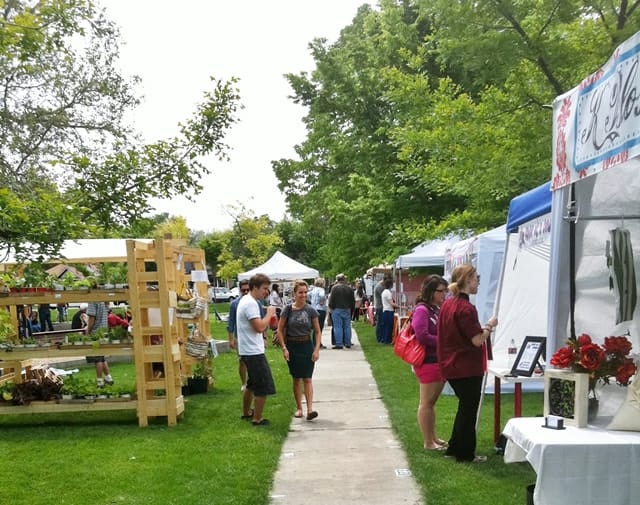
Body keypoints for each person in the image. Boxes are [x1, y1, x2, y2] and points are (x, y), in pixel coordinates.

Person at [437, 264, 497, 463]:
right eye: (476, 277)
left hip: (451, 364)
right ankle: (465, 453)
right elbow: (477, 340)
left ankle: (455, 448)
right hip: (465, 366)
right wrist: (489, 326)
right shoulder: (465, 308)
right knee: (468, 410)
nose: (478, 281)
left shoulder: (448, 304)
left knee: (465, 407)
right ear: (467, 280)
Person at [276, 279, 322, 420]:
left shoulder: (310, 310)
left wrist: (316, 349)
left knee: (307, 378)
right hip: (292, 346)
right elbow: (279, 329)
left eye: (305, 292)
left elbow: (317, 331)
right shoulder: (288, 310)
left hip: (306, 345)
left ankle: (309, 409)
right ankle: (299, 408)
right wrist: (284, 348)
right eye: (300, 292)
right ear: (294, 294)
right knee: (296, 379)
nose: (303, 295)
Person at [412, 274, 448, 450]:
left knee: (431, 403)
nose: (444, 294)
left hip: (437, 360)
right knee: (426, 403)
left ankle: (433, 437)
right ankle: (428, 441)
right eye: (441, 291)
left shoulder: (434, 309)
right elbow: (422, 335)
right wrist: (443, 340)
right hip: (428, 361)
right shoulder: (422, 310)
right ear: (431, 291)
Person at [237, 273, 277, 426]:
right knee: (262, 386)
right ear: (254, 287)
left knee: (251, 384)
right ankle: (257, 418)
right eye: (264, 289)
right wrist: (269, 314)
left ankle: (247, 412)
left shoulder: (247, 301)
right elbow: (260, 327)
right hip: (253, 352)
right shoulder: (251, 304)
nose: (266, 292)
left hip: (248, 350)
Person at [227, 279, 250, 390]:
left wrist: (264, 336)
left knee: (253, 360)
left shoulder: (255, 302)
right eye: (243, 290)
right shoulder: (234, 304)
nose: (245, 292)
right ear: (240, 290)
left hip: (252, 336)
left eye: (247, 290)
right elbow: (231, 322)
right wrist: (231, 339)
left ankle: (252, 381)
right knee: (242, 360)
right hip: (240, 337)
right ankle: (243, 383)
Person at [86, 301, 114, 387]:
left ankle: (100, 381)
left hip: (95, 332)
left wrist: (88, 331)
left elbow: (92, 318)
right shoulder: (103, 300)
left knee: (97, 358)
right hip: (104, 331)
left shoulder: (93, 301)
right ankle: (108, 378)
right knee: (102, 357)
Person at [328, 273, 355, 349]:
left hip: (337, 309)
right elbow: (352, 301)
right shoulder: (349, 288)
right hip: (347, 309)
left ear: (337, 280)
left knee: (338, 327)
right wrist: (352, 310)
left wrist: (331, 307)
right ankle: (348, 342)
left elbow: (331, 299)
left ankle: (339, 344)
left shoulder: (334, 288)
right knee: (347, 327)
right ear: (344, 279)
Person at [309, 278, 327, 349]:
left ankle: (315, 342)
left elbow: (308, 295)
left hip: (313, 309)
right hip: (320, 309)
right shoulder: (321, 290)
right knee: (319, 327)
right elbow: (322, 295)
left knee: (315, 327)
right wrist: (322, 302)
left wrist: (311, 301)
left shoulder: (313, 289)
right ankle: (317, 343)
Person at [374, 274, 392, 342]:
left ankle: (382, 337)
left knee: (382, 323)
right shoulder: (380, 287)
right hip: (380, 307)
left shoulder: (382, 286)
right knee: (380, 323)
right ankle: (380, 337)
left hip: (382, 306)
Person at [380, 277, 399, 344]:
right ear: (390, 285)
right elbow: (391, 303)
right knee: (389, 326)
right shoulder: (388, 293)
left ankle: (384, 339)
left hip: (385, 310)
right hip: (389, 311)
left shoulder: (384, 292)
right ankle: (387, 340)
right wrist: (399, 306)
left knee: (385, 326)